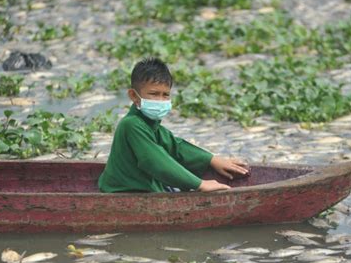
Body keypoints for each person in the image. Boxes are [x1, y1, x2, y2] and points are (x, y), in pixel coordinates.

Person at [98, 57, 249, 193]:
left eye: (165, 95)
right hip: (124, 192)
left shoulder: (151, 125)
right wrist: (199, 184)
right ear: (133, 96)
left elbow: (177, 148)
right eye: (154, 94)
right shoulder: (131, 125)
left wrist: (212, 160)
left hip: (147, 186)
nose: (161, 100)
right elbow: (154, 161)